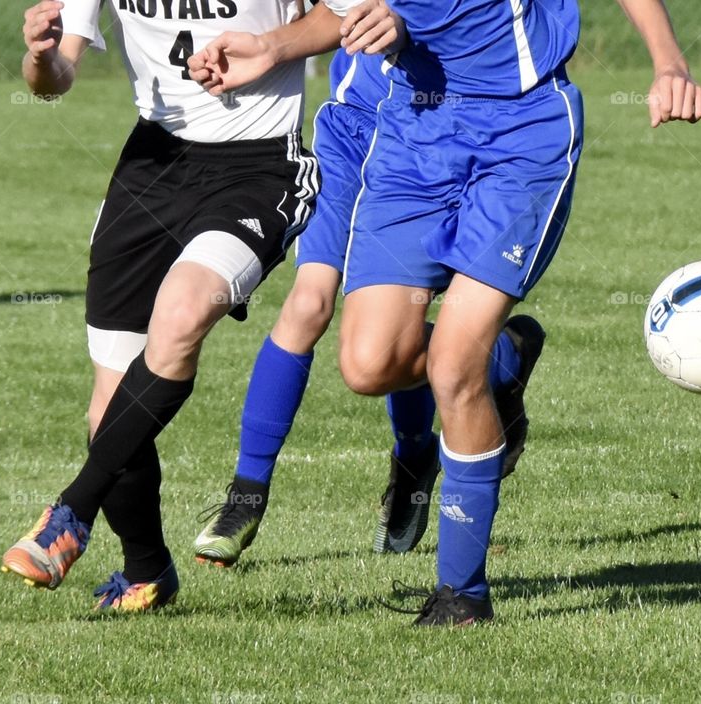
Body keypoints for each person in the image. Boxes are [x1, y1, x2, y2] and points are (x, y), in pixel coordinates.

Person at [333, 0, 701, 625]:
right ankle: (502, 357)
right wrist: (274, 48)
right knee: (370, 364)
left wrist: (669, 62)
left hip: (520, 131)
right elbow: (339, 12)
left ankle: (462, 594)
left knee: (453, 366)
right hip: (412, 130)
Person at [1, 0, 362, 611]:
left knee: (182, 314)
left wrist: (273, 47)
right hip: (152, 167)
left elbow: (348, 12)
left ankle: (70, 512)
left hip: (261, 165)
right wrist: (39, 57)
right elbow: (55, 79)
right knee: (109, 413)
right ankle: (147, 570)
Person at [186, 3, 540, 565]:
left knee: (397, 319)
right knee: (308, 304)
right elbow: (332, 14)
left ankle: (415, 455)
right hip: (354, 132)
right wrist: (264, 48)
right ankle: (246, 495)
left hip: (436, 130)